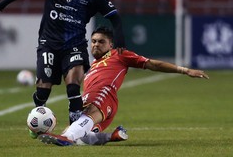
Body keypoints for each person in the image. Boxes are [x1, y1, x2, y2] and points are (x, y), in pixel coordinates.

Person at [0, 0, 125, 124]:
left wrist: (120, 41)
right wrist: (4, 2)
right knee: (43, 91)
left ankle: (75, 128)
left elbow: (114, 17)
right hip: (49, 43)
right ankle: (38, 122)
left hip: (74, 44)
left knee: (73, 86)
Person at [37, 26, 209, 146]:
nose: (96, 44)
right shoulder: (92, 66)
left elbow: (153, 64)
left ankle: (66, 137)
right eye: (93, 41)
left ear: (111, 44)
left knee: (75, 130)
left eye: (101, 41)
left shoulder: (118, 54)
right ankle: (111, 136)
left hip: (104, 97)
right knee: (82, 136)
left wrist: (185, 70)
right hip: (96, 102)